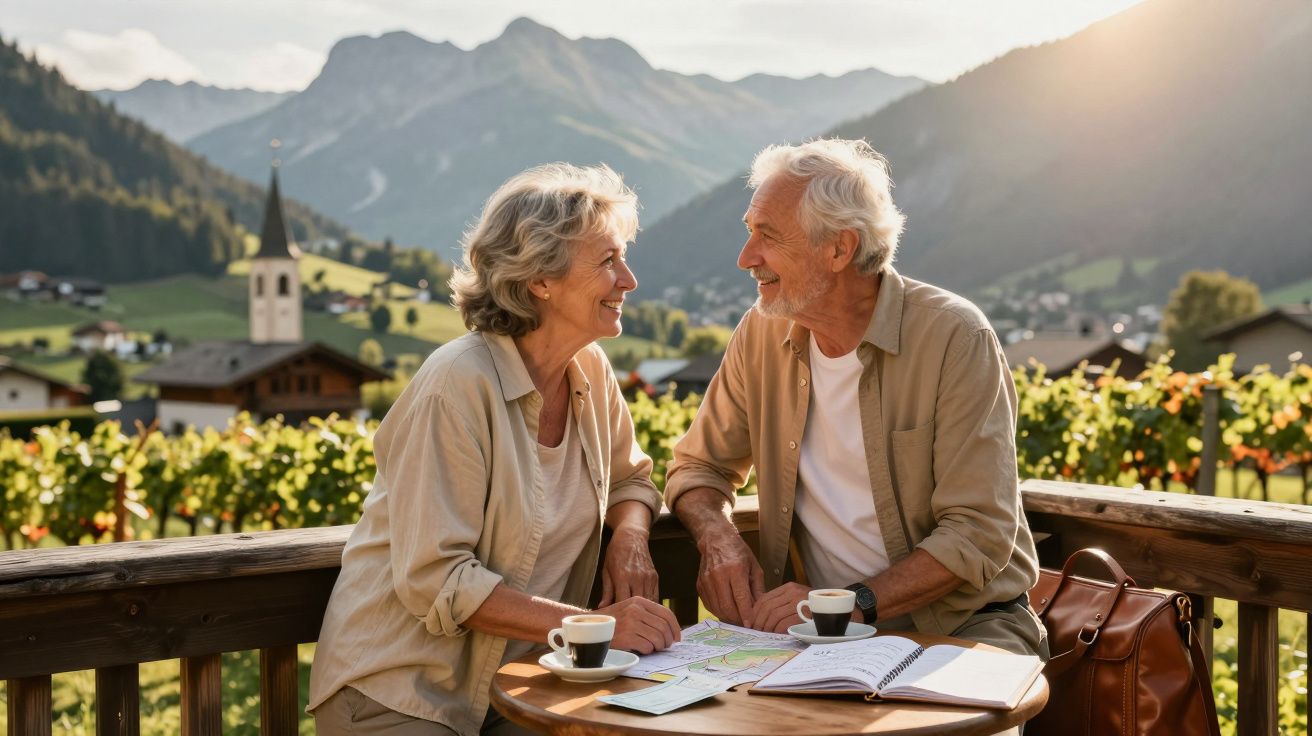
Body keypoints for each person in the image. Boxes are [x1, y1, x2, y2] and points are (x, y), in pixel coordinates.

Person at [309, 163, 681, 735]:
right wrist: (595, 629)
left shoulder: (589, 369)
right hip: (401, 689)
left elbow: (631, 480)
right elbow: (438, 578)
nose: (628, 280)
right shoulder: (456, 384)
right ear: (541, 279)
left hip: (520, 685)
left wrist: (629, 540)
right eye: (608, 260)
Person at [665, 139, 1047, 660]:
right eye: (749, 231)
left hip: (963, 629)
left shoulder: (955, 337)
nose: (746, 257)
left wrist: (850, 604)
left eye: (767, 236)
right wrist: (719, 540)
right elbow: (699, 468)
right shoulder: (760, 333)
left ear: (839, 249)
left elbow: (978, 532)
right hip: (817, 635)